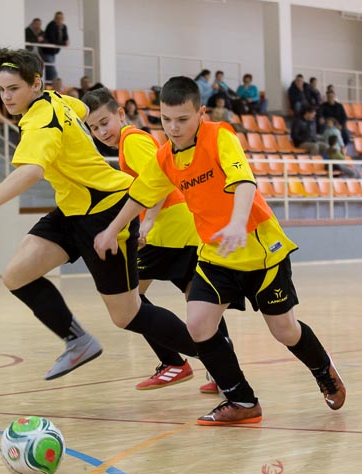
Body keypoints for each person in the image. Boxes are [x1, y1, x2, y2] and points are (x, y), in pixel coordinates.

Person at [93, 76, 346, 425]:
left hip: (260, 248)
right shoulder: (166, 156)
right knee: (198, 324)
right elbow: (141, 194)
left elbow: (243, 182)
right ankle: (242, 400)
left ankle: (322, 368)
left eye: (183, 119)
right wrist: (111, 231)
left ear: (201, 113)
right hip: (214, 254)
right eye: (166, 119)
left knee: (284, 330)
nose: (173, 128)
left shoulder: (220, 136)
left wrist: (237, 222)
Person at [0, 48, 197, 381]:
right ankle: (77, 340)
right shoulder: (58, 100)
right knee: (16, 275)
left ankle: (213, 351)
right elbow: (81, 108)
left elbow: (31, 171)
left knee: (127, 314)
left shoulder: (40, 120)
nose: (6, 96)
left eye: (13, 88)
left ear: (35, 84)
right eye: (1, 89)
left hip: (105, 210)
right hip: (72, 210)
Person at [84, 87, 235, 392]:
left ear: (121, 114)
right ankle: (223, 373)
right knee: (199, 298)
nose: (101, 132)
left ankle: (173, 362)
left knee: (128, 301)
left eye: (104, 122)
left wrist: (148, 222)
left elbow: (159, 182)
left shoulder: (132, 140)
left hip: (168, 228)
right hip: (183, 225)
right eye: (94, 128)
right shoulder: (130, 141)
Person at [41, 11, 69, 83]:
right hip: (47, 51)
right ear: (55, 18)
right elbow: (52, 40)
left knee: (49, 70)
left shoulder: (63, 27)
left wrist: (64, 42)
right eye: (57, 18)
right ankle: (54, 84)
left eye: (61, 18)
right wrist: (63, 43)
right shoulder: (51, 25)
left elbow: (66, 38)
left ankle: (49, 84)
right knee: (52, 71)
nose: (59, 20)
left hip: (53, 52)